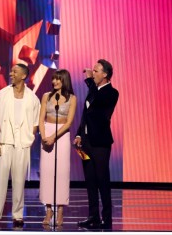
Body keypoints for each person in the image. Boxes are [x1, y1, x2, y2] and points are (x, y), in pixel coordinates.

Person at [0, 63, 41, 228]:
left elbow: (35, 122)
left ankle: (18, 215)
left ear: (23, 76)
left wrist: (29, 139)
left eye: (15, 71)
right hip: (4, 142)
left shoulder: (33, 98)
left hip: (22, 144)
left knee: (19, 181)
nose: (11, 73)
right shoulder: (1, 95)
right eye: (11, 71)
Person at [74, 59, 119, 230]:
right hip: (86, 142)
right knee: (90, 180)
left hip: (100, 143)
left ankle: (106, 218)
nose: (93, 73)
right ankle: (93, 216)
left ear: (105, 74)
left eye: (96, 71)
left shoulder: (111, 93)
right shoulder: (92, 92)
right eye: (93, 71)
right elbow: (86, 115)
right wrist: (79, 134)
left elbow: (99, 107)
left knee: (102, 180)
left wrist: (89, 81)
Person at [38, 69, 77, 226]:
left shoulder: (72, 98)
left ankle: (60, 209)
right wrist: (43, 136)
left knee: (61, 173)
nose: (54, 82)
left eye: (57, 79)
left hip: (61, 135)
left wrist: (54, 137)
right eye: (53, 79)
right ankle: (48, 209)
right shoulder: (46, 96)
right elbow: (40, 118)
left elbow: (69, 122)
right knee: (47, 172)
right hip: (46, 132)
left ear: (64, 80)